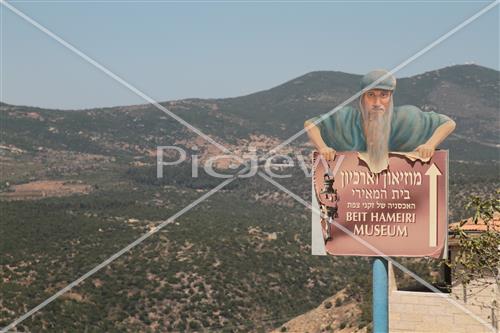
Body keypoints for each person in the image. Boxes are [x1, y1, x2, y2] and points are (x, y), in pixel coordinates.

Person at [304, 69, 456, 172]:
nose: (377, 103)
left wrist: (430, 145)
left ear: (390, 98)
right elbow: (311, 124)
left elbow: (448, 123)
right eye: (371, 95)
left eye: (383, 95)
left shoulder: (407, 119)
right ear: (362, 98)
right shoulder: (345, 119)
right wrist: (323, 147)